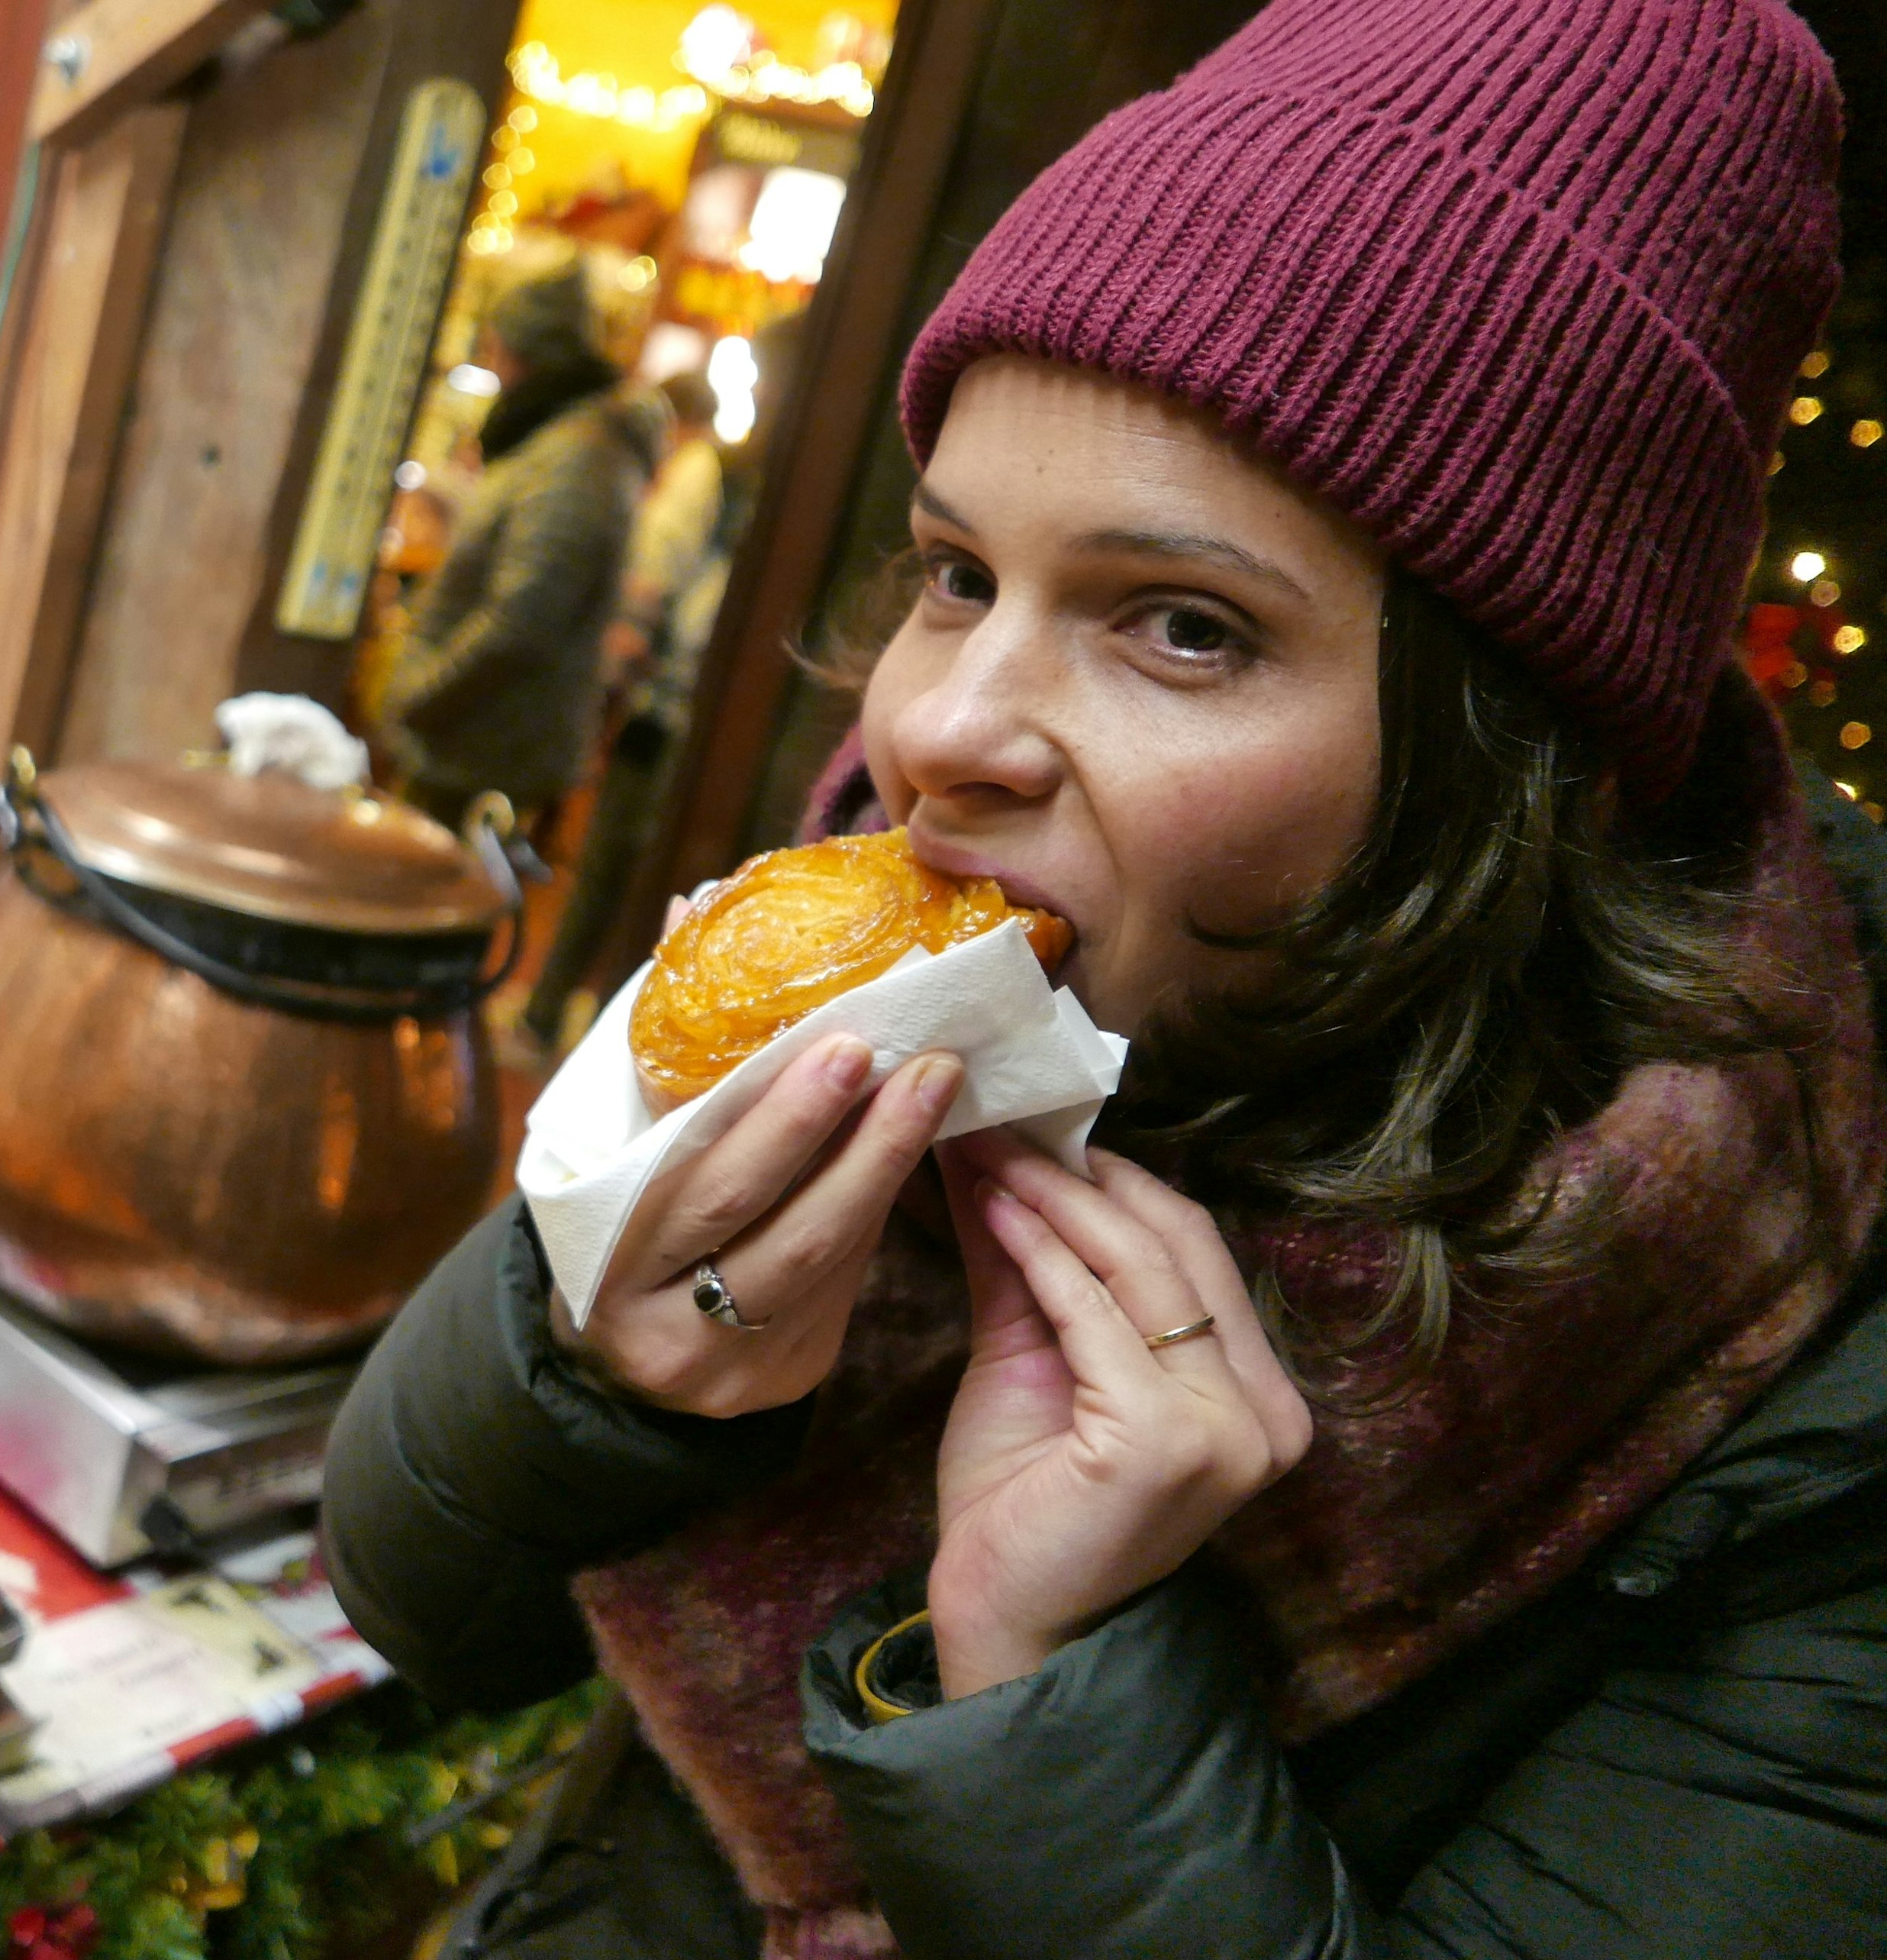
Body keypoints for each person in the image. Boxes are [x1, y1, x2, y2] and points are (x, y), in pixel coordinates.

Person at [324, 2, 1887, 1955]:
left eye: (1182, 626)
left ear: (1513, 756)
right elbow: (414, 1606)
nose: (940, 727)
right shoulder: (867, 983)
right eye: (958, 571)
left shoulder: (1815, 1420)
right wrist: (592, 1371)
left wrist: (1052, 1676)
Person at [520, 321, 803, 1055]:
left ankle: (562, 1020)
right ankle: (604, 1032)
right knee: (670, 886)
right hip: (723, 726)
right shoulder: (781, 483)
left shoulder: (723, 472)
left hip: (677, 709)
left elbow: (651, 574)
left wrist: (619, 666)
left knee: (624, 872)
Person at [381, 263, 655, 834]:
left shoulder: (576, 457)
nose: (493, 367)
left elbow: (523, 619)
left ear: (527, 355)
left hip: (486, 748)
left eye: (497, 351)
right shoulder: (567, 442)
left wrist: (418, 695)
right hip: (475, 743)